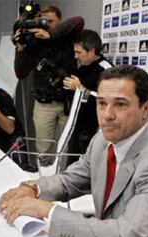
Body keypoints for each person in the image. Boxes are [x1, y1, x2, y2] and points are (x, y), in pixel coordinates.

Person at [0, 65, 148, 237]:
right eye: (101, 103)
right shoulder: (102, 140)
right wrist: (34, 189)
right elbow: (71, 180)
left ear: (145, 109)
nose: (107, 115)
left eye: (120, 104)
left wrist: (48, 211)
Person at [13, 5, 84, 166]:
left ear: (60, 21)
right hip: (44, 104)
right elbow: (20, 73)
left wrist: (50, 34)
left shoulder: (67, 37)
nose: (47, 24)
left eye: (51, 21)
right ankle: (44, 182)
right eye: (44, 22)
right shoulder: (34, 43)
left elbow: (79, 21)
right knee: (44, 151)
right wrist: (20, 49)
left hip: (67, 102)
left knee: (65, 149)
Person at [62, 29, 113, 163]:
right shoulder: (82, 68)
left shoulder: (107, 71)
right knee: (72, 169)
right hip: (76, 127)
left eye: (79, 52)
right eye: (75, 52)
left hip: (94, 131)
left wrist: (80, 89)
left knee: (87, 172)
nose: (75, 56)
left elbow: (109, 101)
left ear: (91, 51)